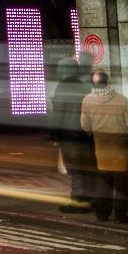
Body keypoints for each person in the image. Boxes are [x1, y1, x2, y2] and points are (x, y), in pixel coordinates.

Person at [79, 65, 128, 223]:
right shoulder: (121, 100)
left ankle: (102, 214)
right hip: (121, 146)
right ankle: (121, 216)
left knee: (104, 183)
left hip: (101, 146)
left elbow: (85, 125)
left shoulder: (87, 100)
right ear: (108, 82)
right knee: (121, 184)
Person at [46, 61, 93, 211]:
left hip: (69, 135)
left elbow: (58, 113)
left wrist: (54, 134)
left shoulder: (62, 87)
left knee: (74, 169)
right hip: (86, 135)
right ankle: (89, 198)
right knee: (86, 168)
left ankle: (78, 201)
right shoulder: (85, 86)